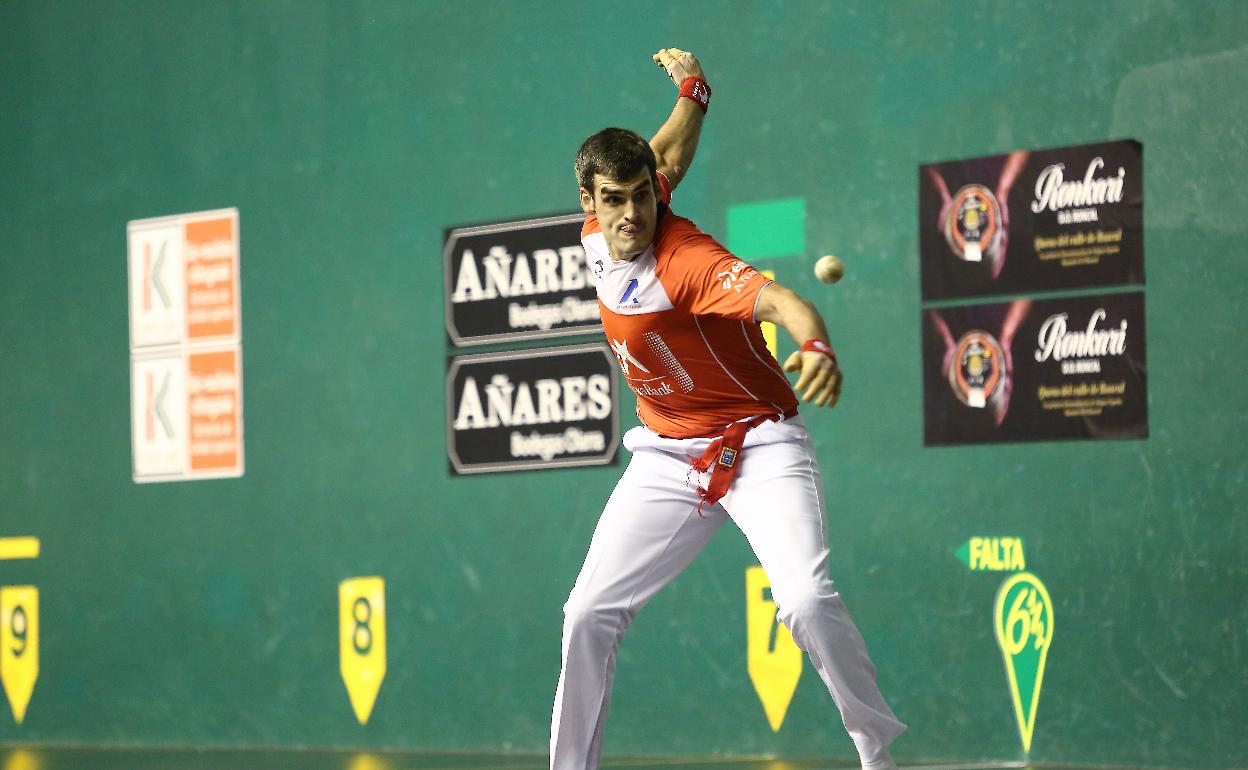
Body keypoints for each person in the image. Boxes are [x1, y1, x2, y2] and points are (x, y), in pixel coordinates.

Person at [550, 48, 905, 770]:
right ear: (589, 202)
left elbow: (784, 302)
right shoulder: (601, 231)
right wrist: (693, 90)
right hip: (668, 454)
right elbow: (667, 151)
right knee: (586, 612)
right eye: (615, 199)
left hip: (760, 444)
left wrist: (818, 347)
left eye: (642, 197)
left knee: (805, 600)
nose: (633, 214)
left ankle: (877, 755)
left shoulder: (688, 262)